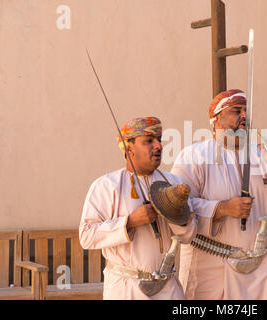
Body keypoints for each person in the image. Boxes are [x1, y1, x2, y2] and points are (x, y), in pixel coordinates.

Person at [171, 89, 267, 299]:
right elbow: (178, 210)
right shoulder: (193, 156)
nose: (243, 116)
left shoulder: (262, 154)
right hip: (213, 270)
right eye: (235, 111)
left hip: (265, 270)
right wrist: (221, 208)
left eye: (245, 111)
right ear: (216, 119)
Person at [79, 116, 196, 300]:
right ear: (129, 148)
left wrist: (177, 217)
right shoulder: (107, 185)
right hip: (126, 288)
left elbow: (189, 236)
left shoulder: (172, 183)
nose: (158, 146)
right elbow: (86, 236)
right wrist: (130, 222)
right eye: (149, 141)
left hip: (168, 288)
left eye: (159, 139)